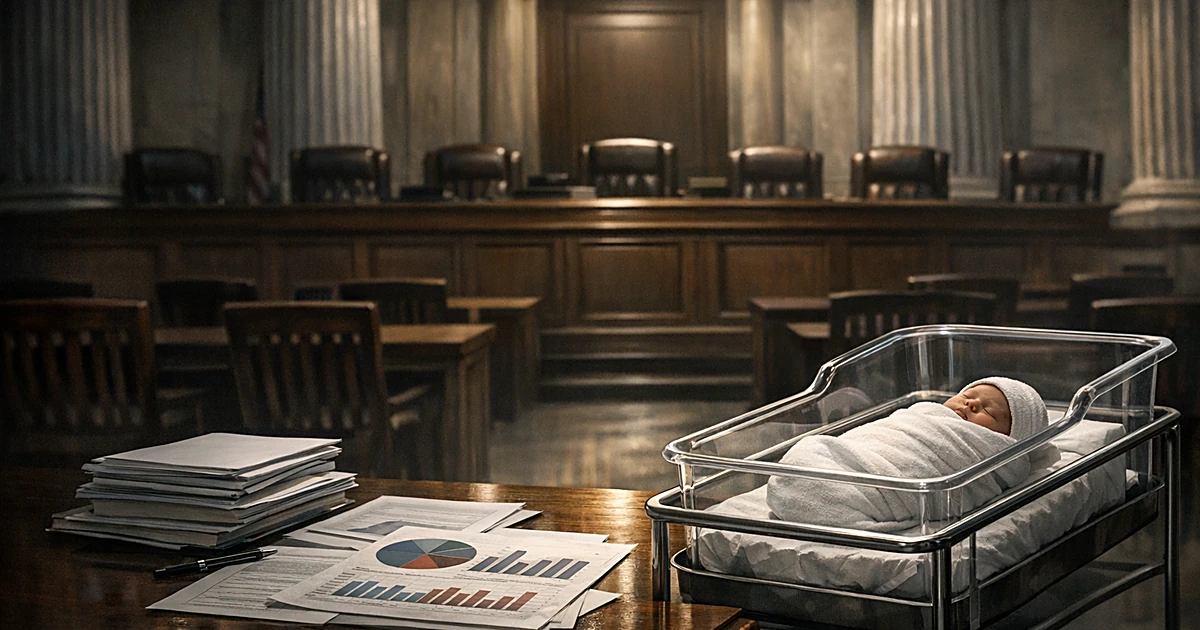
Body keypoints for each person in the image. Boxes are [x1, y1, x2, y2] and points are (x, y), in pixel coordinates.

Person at [765, 376, 1056, 531]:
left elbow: (963, 485)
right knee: (811, 451)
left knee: (840, 481)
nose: (970, 405)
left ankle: (830, 497)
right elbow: (884, 436)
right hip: (850, 455)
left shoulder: (994, 457)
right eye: (968, 397)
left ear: (1010, 440)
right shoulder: (924, 413)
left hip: (884, 481)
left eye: (988, 410)